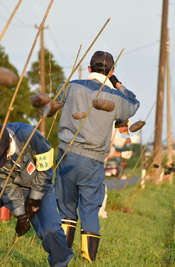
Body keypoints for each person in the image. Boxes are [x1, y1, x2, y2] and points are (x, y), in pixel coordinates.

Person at [54, 51, 140, 262]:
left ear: (89, 69)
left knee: (65, 210)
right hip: (93, 161)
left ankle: (62, 260)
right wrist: (117, 82)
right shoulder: (117, 98)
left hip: (66, 155)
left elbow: (54, 102)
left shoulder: (71, 86)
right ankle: (87, 261)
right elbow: (134, 104)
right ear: (110, 72)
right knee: (90, 209)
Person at [0, 123, 73, 266]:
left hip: (37, 185)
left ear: (9, 141)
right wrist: (21, 214)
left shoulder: (29, 135)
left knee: (51, 229)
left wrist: (34, 198)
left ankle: (61, 262)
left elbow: (45, 171)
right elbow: (4, 184)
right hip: (3, 186)